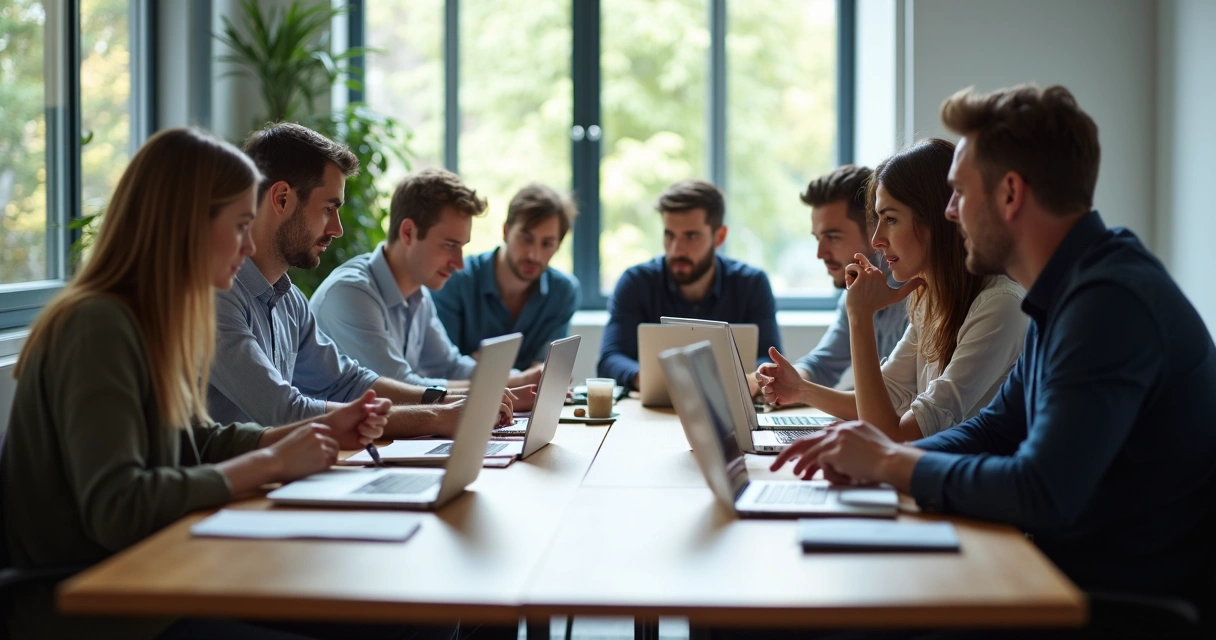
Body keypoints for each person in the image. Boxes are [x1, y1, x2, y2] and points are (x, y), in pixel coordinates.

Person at [772, 84, 1216, 635]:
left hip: (1111, 604)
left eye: (958, 192)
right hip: (1055, 576)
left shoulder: (1109, 303)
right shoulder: (1068, 293)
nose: (951, 213)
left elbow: (1041, 489)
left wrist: (891, 463)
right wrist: (874, 457)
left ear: (1010, 194)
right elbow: (994, 428)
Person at [2, 128, 447, 640]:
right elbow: (117, 508)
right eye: (239, 225)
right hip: (103, 603)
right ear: (186, 224)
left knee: (416, 618)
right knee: (407, 624)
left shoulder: (154, 318)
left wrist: (311, 435)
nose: (250, 243)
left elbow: (196, 440)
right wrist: (272, 460)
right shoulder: (99, 324)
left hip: (164, 569)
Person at [207, 124, 514, 437]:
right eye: (329, 208)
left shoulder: (290, 300)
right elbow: (285, 411)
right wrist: (436, 416)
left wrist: (449, 401)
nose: (337, 228)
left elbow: (346, 382)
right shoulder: (217, 296)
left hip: (280, 474)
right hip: (232, 482)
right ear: (283, 199)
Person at [757, 139, 1027, 441]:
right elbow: (884, 398)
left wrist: (860, 316)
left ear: (937, 220)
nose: (876, 240)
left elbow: (891, 434)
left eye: (891, 219)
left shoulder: (1000, 306)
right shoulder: (929, 299)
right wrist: (801, 389)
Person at [312, 170, 545, 393]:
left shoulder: (417, 294)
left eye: (462, 247)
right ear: (408, 232)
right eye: (450, 246)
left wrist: (521, 379)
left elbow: (450, 366)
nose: (459, 263)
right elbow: (398, 388)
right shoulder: (350, 292)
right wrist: (510, 385)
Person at [597, 179, 782, 390]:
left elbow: (770, 362)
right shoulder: (636, 283)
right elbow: (610, 359)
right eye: (669, 235)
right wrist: (648, 379)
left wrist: (753, 380)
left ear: (719, 236)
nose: (677, 250)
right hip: (653, 410)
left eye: (691, 236)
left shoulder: (752, 285)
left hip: (733, 412)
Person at [748, 165, 909, 396]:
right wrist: (777, 379)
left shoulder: (916, 291)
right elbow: (822, 365)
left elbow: (899, 399)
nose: (820, 253)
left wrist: (800, 389)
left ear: (875, 229)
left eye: (832, 237)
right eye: (818, 238)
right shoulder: (853, 294)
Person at [432, 183, 581, 370]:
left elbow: (547, 371)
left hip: (528, 400)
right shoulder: (456, 280)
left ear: (558, 246)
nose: (533, 255)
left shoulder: (563, 291)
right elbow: (443, 368)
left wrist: (486, 368)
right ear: (506, 231)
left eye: (547, 244)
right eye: (526, 238)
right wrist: (524, 377)